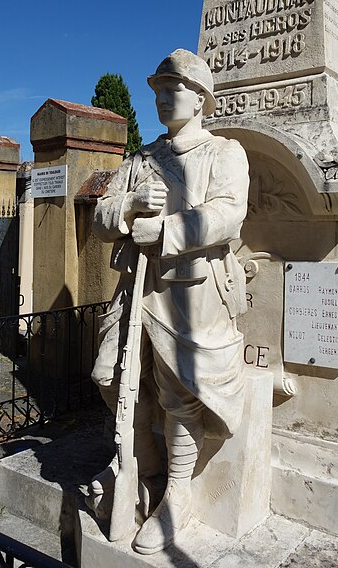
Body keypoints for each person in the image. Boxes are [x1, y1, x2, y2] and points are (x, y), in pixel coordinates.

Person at [89, 49, 249, 554]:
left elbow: (228, 213)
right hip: (134, 287)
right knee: (107, 377)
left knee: (177, 394)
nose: (160, 97)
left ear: (200, 98)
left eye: (171, 88)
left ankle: (176, 491)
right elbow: (99, 218)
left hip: (191, 293)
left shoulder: (224, 153)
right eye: (157, 89)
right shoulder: (140, 159)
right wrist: (130, 204)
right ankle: (141, 467)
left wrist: (166, 230)